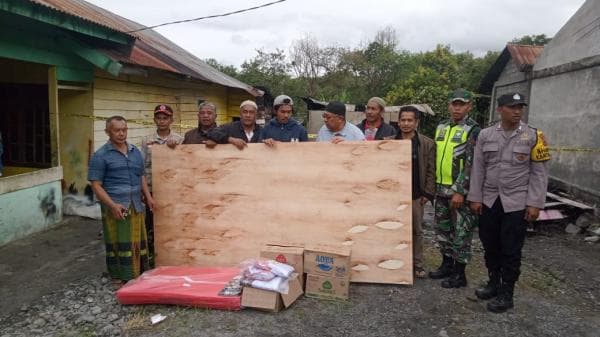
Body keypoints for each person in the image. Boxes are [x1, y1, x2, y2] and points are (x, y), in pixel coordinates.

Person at [468, 92, 549, 313]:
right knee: (490, 244)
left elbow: (539, 173)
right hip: (490, 200)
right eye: (512, 107)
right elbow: (478, 168)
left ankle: (507, 293)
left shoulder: (534, 135)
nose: (517, 111)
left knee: (511, 249)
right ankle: (493, 283)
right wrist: (475, 197)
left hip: (517, 201)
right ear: (500, 109)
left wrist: (535, 203)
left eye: (520, 107)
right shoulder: (485, 135)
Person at [88, 116, 153, 286]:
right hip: (116, 204)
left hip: (136, 204)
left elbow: (141, 176)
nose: (121, 133)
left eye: (124, 129)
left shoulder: (134, 151)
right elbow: (96, 185)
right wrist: (111, 205)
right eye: (117, 130)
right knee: (117, 240)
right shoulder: (101, 155)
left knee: (137, 239)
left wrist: (148, 197)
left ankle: (137, 272)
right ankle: (119, 274)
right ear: (107, 132)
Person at [429, 88, 480, 288]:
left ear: (469, 106)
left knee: (461, 233)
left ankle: (460, 274)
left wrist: (461, 190)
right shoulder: (441, 127)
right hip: (440, 189)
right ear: (449, 105)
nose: (457, 107)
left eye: (462, 104)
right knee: (443, 231)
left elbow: (472, 163)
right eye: (454, 103)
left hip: (459, 193)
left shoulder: (473, 129)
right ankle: (446, 265)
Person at [395, 106, 435, 278]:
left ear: (416, 122)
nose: (406, 123)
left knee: (416, 230)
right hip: (393, 196)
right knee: (393, 229)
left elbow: (431, 171)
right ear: (398, 122)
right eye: (403, 120)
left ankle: (417, 264)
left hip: (415, 195)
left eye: (409, 120)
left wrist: (427, 193)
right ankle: (395, 262)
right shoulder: (389, 141)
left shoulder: (427, 143)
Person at [140, 104, 183, 266]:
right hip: (152, 189)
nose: (162, 121)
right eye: (159, 118)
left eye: (165, 118)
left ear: (171, 120)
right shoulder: (147, 140)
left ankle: (172, 254)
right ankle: (151, 257)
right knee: (151, 224)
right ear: (154, 119)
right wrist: (144, 192)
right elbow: (142, 167)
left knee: (171, 221)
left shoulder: (179, 140)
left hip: (172, 190)